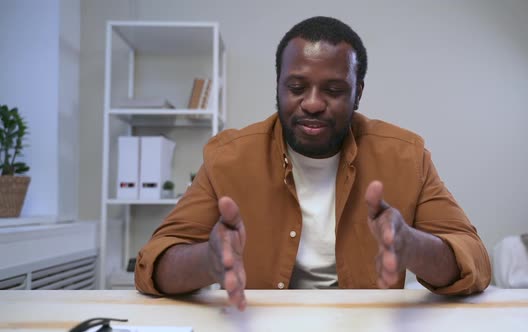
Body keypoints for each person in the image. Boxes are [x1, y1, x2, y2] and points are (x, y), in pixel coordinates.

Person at [135, 16, 491, 311]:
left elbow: (475, 260)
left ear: (358, 92)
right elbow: (154, 263)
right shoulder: (228, 158)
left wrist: (412, 245)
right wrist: (207, 260)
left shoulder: (406, 156)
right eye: (297, 87)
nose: (313, 103)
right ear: (278, 85)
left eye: (334, 90)